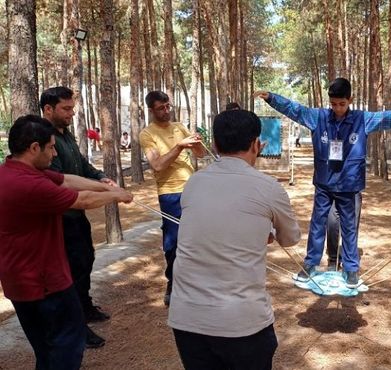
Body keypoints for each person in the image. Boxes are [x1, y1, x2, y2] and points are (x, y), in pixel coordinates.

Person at [254, 77, 391, 288]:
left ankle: (351, 269)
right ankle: (311, 264)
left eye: (342, 104)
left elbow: (389, 118)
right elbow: (295, 110)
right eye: (333, 104)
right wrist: (272, 99)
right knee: (317, 224)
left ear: (351, 100)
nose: (337, 109)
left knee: (349, 227)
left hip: (348, 184)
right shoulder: (319, 118)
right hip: (324, 182)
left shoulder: (362, 120)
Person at [168, 109, 301, 369]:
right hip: (242, 324)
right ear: (256, 145)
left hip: (186, 318)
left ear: (215, 144)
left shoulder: (194, 183)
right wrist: (263, 233)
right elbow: (290, 238)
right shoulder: (268, 187)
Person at [0, 115, 132, 370]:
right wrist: (116, 196)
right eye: (50, 147)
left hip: (19, 280)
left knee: (46, 349)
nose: (54, 153)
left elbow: (67, 179)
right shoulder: (29, 184)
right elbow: (79, 199)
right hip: (43, 282)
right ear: (34, 148)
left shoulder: (12, 171)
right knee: (67, 345)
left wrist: (104, 187)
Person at [41, 86, 114, 348]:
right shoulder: (45, 139)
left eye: (72, 108)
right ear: (48, 109)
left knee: (85, 260)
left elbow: (81, 165)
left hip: (76, 216)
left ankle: (85, 307)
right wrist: (102, 191)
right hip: (60, 217)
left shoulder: (66, 135)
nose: (72, 113)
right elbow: (62, 181)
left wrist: (100, 177)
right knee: (70, 270)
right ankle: (77, 326)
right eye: (66, 109)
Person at [139, 90, 205, 307]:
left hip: (193, 189)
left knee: (197, 237)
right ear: (151, 110)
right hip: (169, 193)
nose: (166, 111)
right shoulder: (147, 134)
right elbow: (157, 165)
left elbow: (201, 155)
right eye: (161, 108)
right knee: (173, 241)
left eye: (168, 106)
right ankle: (173, 282)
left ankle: (196, 282)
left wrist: (196, 143)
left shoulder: (179, 127)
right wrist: (179, 146)